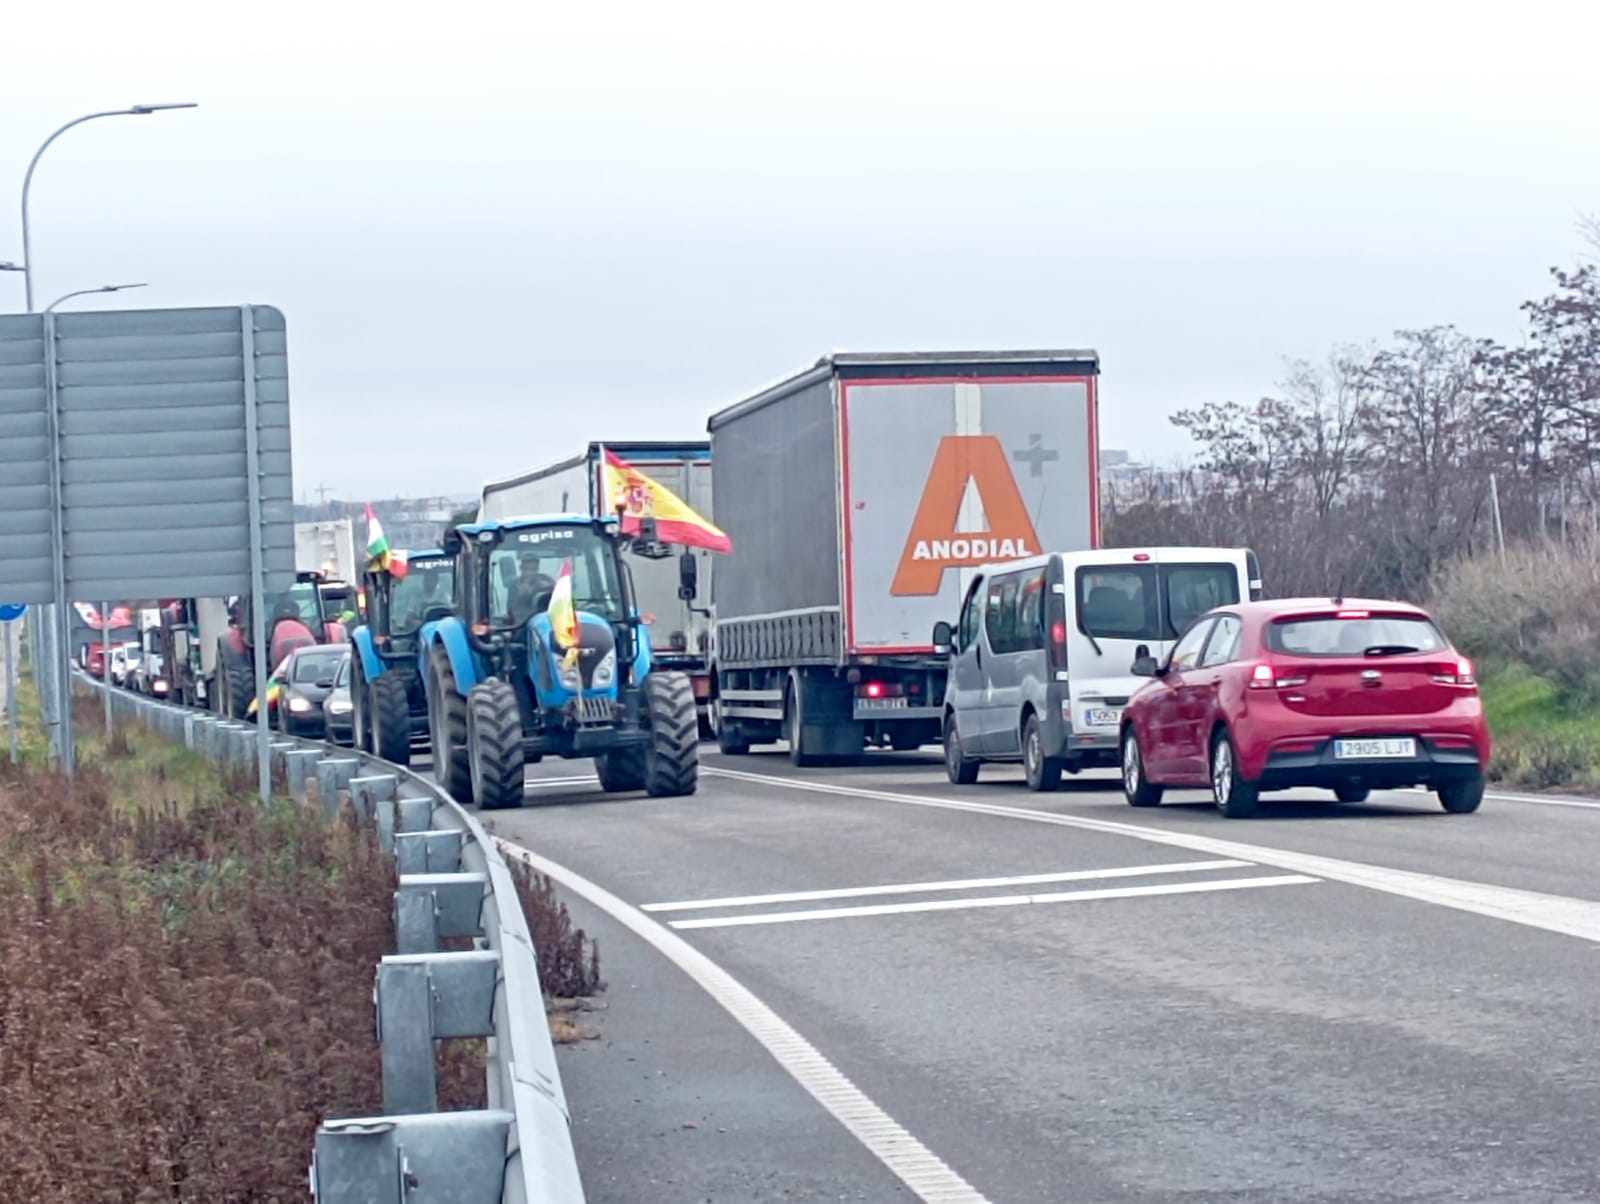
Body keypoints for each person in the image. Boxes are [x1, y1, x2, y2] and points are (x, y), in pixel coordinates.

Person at [506, 556, 554, 627]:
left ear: (538, 569)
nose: (530, 573)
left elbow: (558, 596)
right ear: (521, 569)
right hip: (522, 623)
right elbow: (510, 610)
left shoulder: (546, 579)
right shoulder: (515, 585)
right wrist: (520, 596)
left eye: (533, 569)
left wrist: (544, 588)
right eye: (526, 569)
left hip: (545, 620)